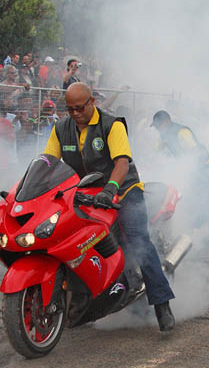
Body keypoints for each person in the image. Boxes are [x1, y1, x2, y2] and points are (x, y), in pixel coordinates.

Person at [42, 83, 176, 331]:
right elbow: (48, 162)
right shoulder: (61, 128)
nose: (75, 113)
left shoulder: (112, 125)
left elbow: (122, 163)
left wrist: (111, 188)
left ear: (92, 101)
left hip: (123, 190)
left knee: (138, 242)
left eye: (80, 108)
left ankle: (162, 304)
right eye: (70, 109)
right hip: (85, 194)